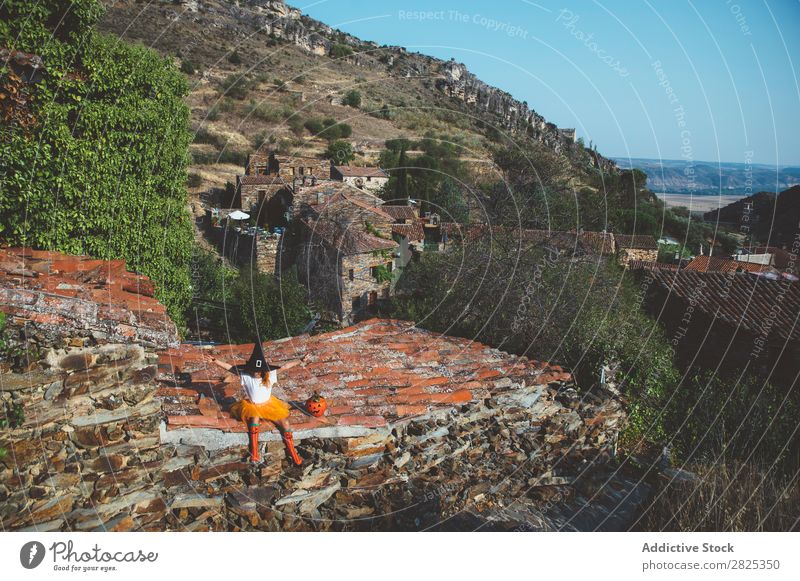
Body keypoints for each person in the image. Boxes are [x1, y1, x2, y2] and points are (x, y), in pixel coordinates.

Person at [206, 342, 303, 465]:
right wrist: (215, 360)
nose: (255, 373)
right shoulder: (246, 376)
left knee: (285, 422)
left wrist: (300, 361)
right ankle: (255, 453)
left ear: (263, 370)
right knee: (254, 419)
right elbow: (230, 368)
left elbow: (285, 366)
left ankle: (293, 453)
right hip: (252, 406)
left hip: (269, 404)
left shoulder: (270, 376)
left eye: (258, 371)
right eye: (253, 370)